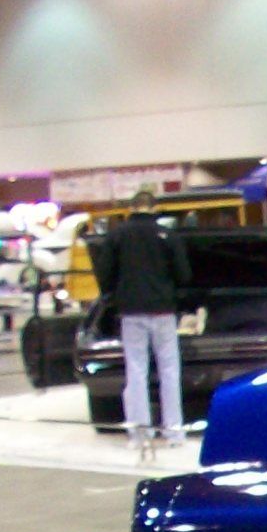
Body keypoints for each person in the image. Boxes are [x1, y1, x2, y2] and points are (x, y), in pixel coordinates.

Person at [93, 189, 191, 445]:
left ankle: (140, 434)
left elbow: (103, 275)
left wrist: (115, 297)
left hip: (131, 312)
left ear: (131, 208)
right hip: (163, 312)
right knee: (169, 370)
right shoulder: (167, 236)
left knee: (136, 371)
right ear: (154, 208)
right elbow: (184, 274)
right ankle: (174, 432)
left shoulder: (116, 236)